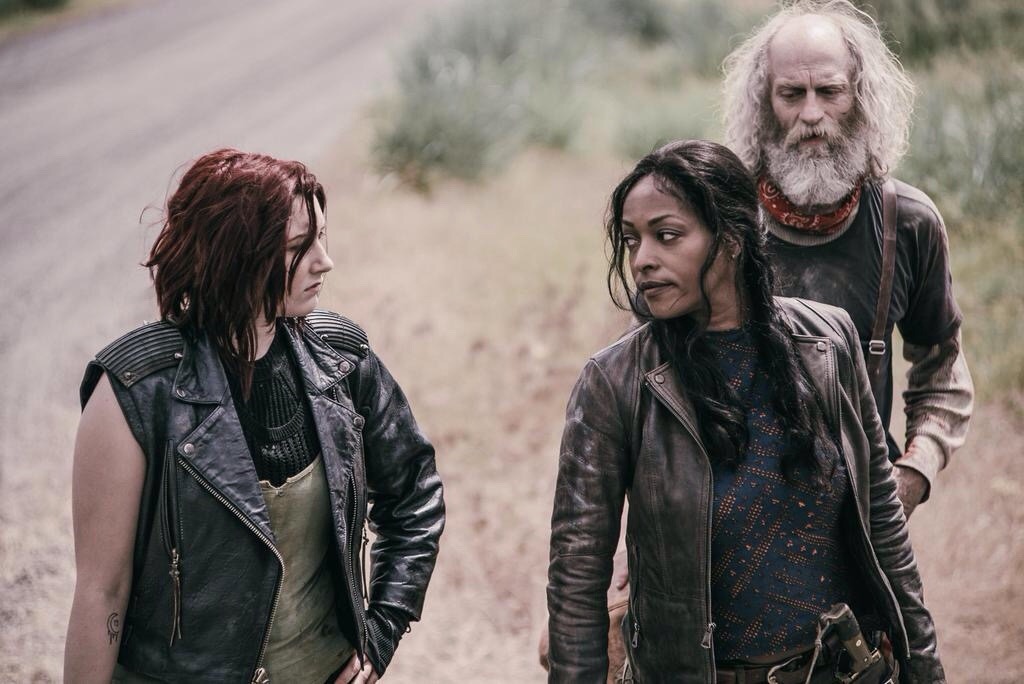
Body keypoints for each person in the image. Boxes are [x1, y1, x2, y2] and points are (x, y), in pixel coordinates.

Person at [547, 140, 945, 683]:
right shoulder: (615, 382)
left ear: (732, 237)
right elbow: (576, 580)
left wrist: (925, 668)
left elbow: (883, 526)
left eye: (667, 235)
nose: (642, 260)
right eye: (632, 239)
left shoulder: (828, 343)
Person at [64, 149, 445, 683]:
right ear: (234, 255)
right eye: (297, 247)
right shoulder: (136, 390)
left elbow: (414, 498)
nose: (324, 261)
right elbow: (102, 591)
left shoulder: (342, 359)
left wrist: (379, 634)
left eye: (322, 238)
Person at [722, 0, 973, 518]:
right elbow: (654, 371)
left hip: (852, 515)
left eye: (830, 91)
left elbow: (942, 370)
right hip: (731, 518)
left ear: (860, 96)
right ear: (764, 104)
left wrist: (915, 469)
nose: (812, 115)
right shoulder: (719, 217)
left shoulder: (908, 223)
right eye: (792, 94)